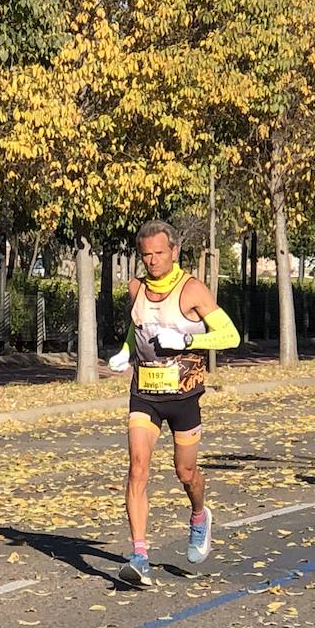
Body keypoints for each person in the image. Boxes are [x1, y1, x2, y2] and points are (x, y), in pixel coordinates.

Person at [107, 220, 240, 586]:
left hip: (184, 397)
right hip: (144, 394)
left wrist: (185, 340)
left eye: (159, 254)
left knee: (185, 473)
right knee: (137, 467)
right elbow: (136, 332)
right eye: (146, 255)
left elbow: (230, 336)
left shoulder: (192, 290)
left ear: (175, 251)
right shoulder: (136, 288)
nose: (152, 262)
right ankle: (140, 556)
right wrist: (123, 352)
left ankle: (199, 515)